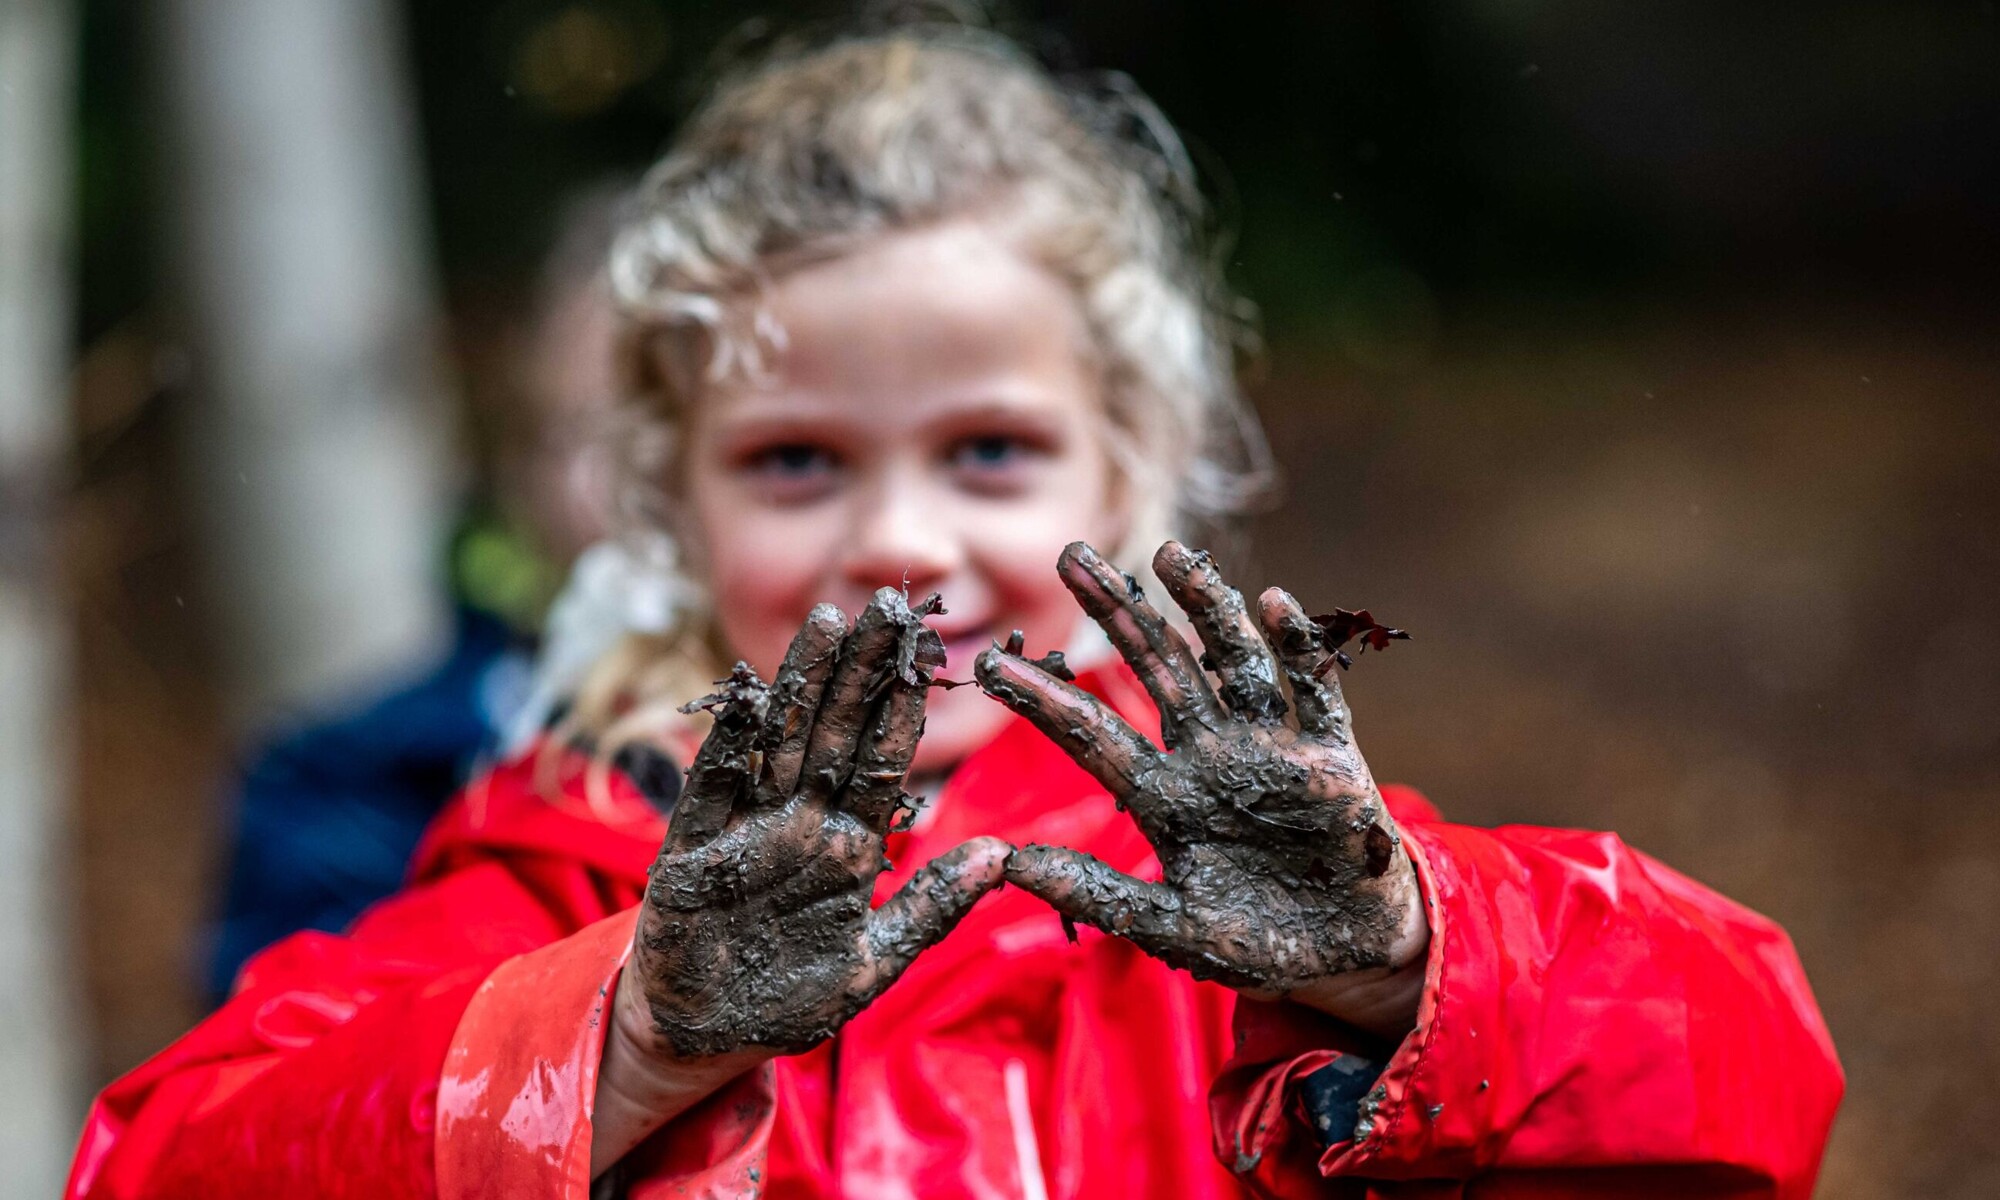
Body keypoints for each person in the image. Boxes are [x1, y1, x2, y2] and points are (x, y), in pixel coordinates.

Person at [67, 21, 1842, 1200]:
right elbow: (159, 1162)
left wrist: (1408, 958)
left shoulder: (1267, 880)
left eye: (990, 449)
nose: (898, 538)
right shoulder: (572, 861)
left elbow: (1751, 1081)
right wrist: (627, 1040)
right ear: (666, 512)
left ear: (1132, 471)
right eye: (792, 463)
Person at [201, 188, 630, 999]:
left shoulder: (924, 758)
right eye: (587, 435)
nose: (616, 496)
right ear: (518, 465)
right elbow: (288, 1091)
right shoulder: (343, 785)